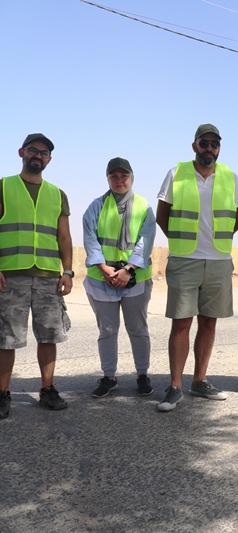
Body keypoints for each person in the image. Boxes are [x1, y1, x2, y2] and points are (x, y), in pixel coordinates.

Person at [155, 124, 238, 412]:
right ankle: (175, 386)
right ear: (194, 145)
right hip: (185, 259)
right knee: (181, 323)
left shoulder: (230, 176)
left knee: (209, 321)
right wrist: (183, 243)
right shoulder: (176, 173)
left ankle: (200, 380)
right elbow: (162, 215)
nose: (209, 148)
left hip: (218, 260)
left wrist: (214, 240)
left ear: (219, 147)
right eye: (204, 143)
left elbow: (237, 217)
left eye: (214, 144)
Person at [0, 133, 73, 418]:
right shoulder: (4, 187)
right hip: (11, 276)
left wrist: (67, 272)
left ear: (49, 159)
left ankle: (47, 390)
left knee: (49, 336)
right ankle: (3, 393)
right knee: (6, 338)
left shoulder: (57, 194)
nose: (38, 156)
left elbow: (64, 238)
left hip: (47, 278)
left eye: (44, 153)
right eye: (33, 150)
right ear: (21, 152)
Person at [83, 157, 156, 398]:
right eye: (114, 176)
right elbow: (90, 237)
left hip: (134, 277)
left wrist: (128, 270)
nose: (119, 180)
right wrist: (103, 268)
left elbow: (145, 241)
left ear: (131, 177)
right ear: (108, 178)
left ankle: (142, 374)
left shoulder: (144, 206)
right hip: (101, 278)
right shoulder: (96, 206)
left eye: (123, 176)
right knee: (107, 330)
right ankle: (109, 377)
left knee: (138, 328)